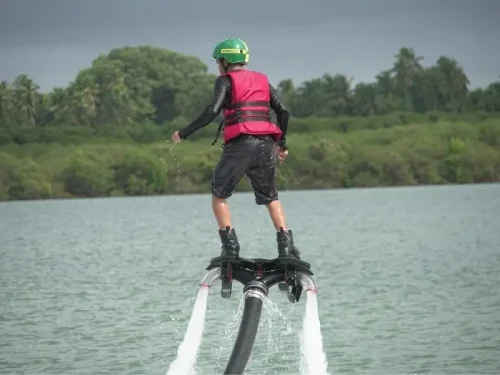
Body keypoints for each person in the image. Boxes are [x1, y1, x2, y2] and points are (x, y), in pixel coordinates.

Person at [171, 38, 300, 261]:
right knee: (270, 196)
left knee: (218, 194)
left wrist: (183, 133)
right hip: (266, 144)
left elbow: (212, 111)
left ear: (225, 60)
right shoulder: (263, 81)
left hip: (241, 144)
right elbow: (284, 112)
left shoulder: (225, 81)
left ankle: (230, 249)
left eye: (218, 61)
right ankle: (286, 248)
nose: (217, 66)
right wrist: (281, 143)